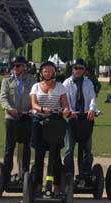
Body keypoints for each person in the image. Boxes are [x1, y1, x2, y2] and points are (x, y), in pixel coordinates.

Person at [29, 61, 70, 191]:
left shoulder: (60, 87)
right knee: (39, 155)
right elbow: (33, 105)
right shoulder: (35, 86)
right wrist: (42, 109)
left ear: (54, 72)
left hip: (55, 122)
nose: (48, 73)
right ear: (41, 73)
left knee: (56, 155)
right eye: (45, 71)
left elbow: (65, 105)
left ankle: (57, 185)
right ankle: (38, 184)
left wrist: (65, 110)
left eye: (50, 71)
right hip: (39, 122)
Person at [0, 56, 36, 180]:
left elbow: (35, 97)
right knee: (9, 146)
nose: (15, 68)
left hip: (27, 116)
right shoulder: (7, 81)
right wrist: (9, 109)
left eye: (18, 65)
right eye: (14, 65)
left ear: (24, 66)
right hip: (11, 117)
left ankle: (24, 173)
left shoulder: (32, 80)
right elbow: (3, 98)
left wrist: (32, 109)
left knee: (26, 146)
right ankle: (6, 173)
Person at [62, 59, 98, 185]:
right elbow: (65, 100)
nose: (78, 70)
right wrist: (71, 112)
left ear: (84, 70)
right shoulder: (67, 83)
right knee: (69, 150)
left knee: (86, 150)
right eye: (76, 68)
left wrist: (92, 109)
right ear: (72, 69)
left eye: (81, 68)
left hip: (85, 118)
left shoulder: (88, 83)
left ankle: (85, 175)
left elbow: (93, 97)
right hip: (71, 120)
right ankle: (69, 175)